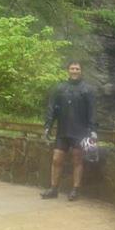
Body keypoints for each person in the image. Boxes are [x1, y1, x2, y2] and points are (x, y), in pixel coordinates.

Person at [41, 61, 96, 201]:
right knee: (56, 159)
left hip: (80, 132)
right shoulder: (60, 88)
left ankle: (75, 190)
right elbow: (52, 109)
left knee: (77, 160)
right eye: (72, 68)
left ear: (81, 71)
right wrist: (48, 126)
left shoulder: (87, 90)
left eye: (77, 68)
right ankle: (53, 189)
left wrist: (92, 130)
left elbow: (92, 112)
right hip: (63, 130)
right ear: (68, 70)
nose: (74, 71)